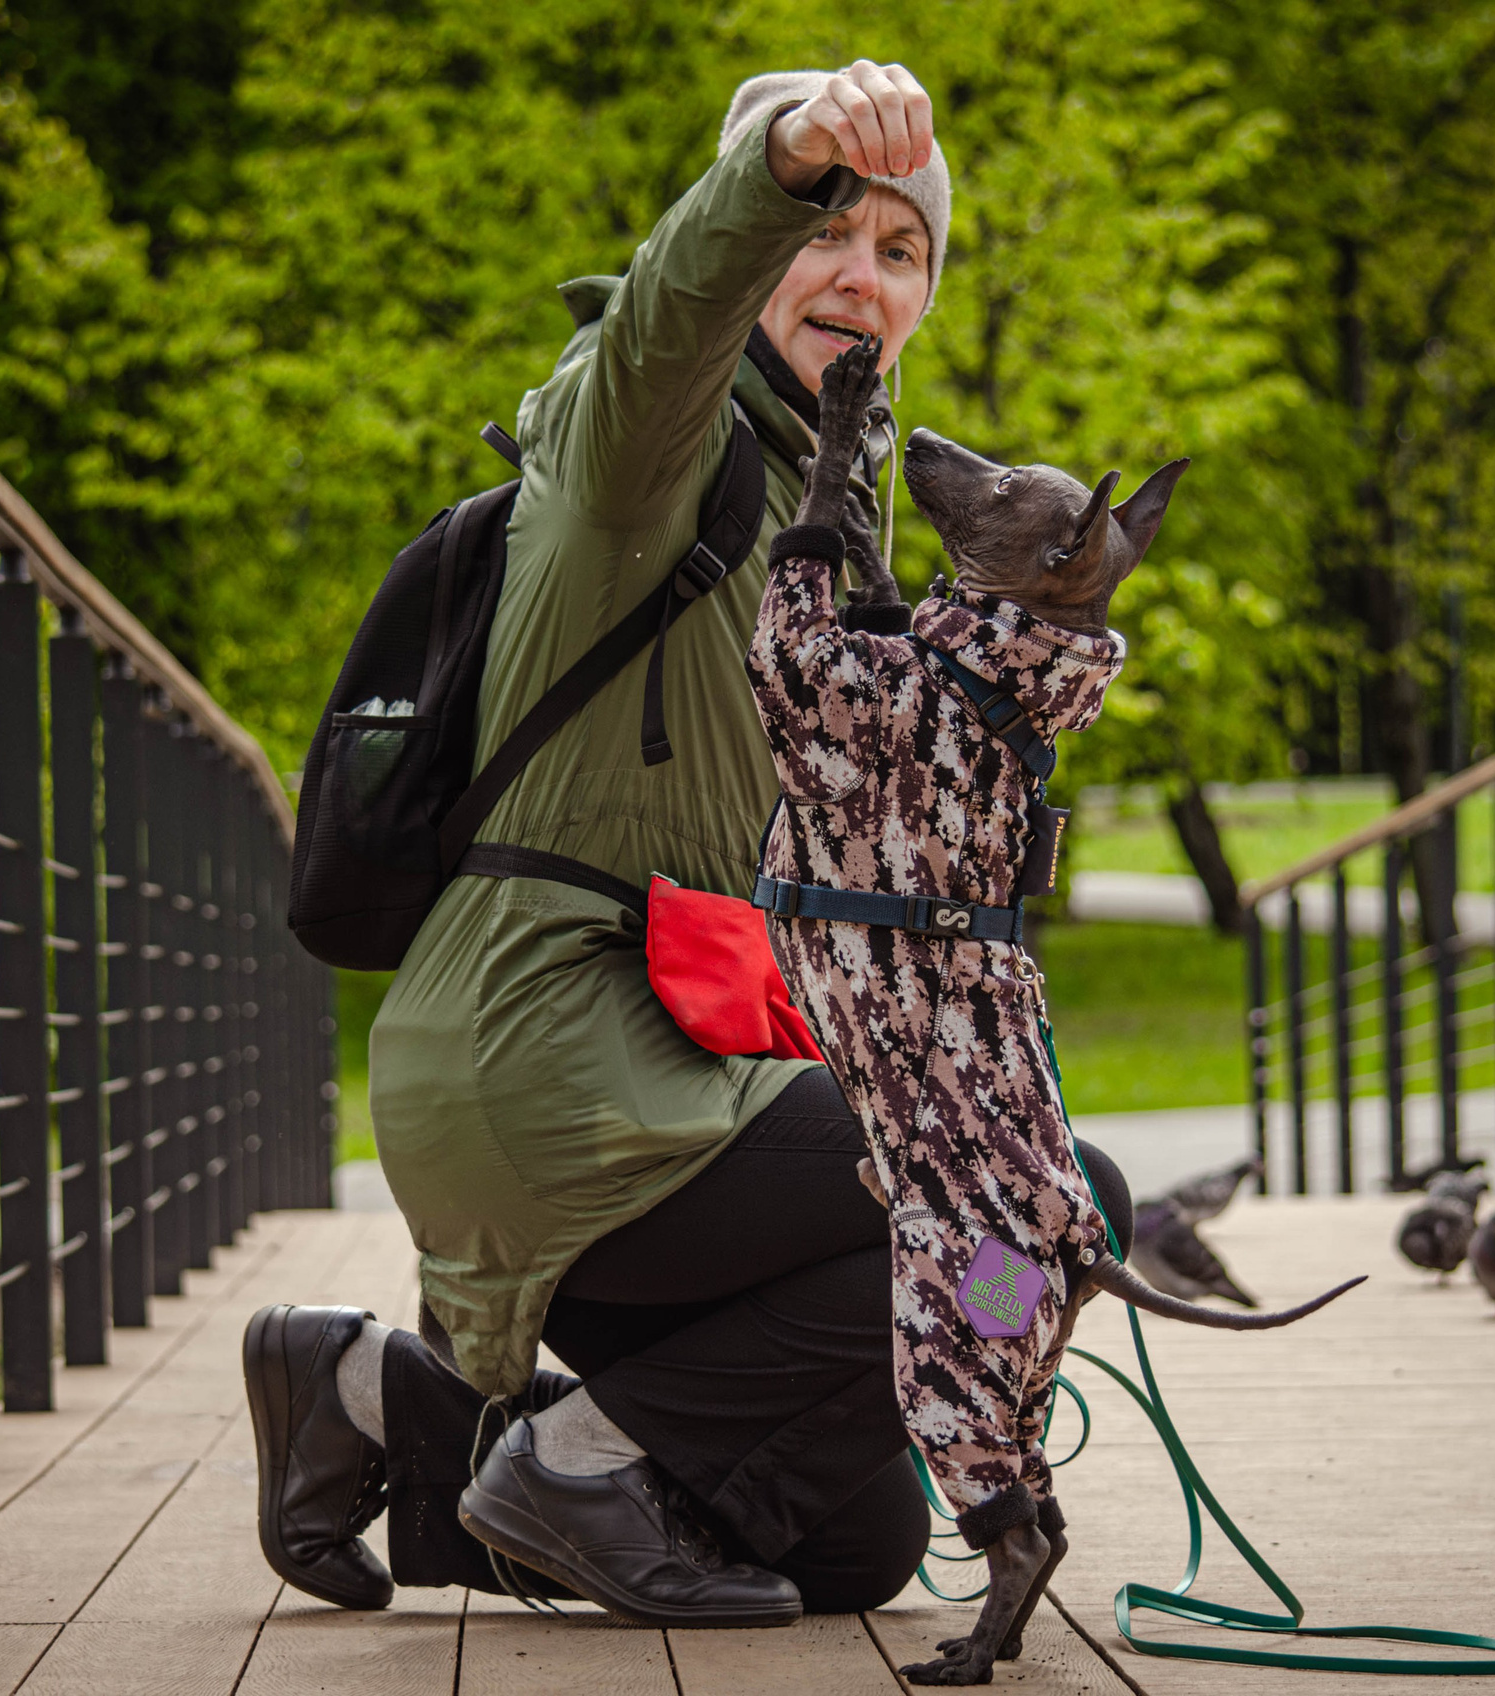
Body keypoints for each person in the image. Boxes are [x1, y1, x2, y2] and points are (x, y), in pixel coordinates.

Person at [245, 62, 1135, 1630]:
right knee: (1055, 1205)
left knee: (851, 1545)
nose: (860, 274)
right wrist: (786, 162)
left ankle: (375, 1400)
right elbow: (671, 318)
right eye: (826, 234)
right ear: (755, 244)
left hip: (679, 1080)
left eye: (901, 250)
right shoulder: (641, 448)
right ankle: (580, 1462)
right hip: (550, 1060)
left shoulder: (835, 517)